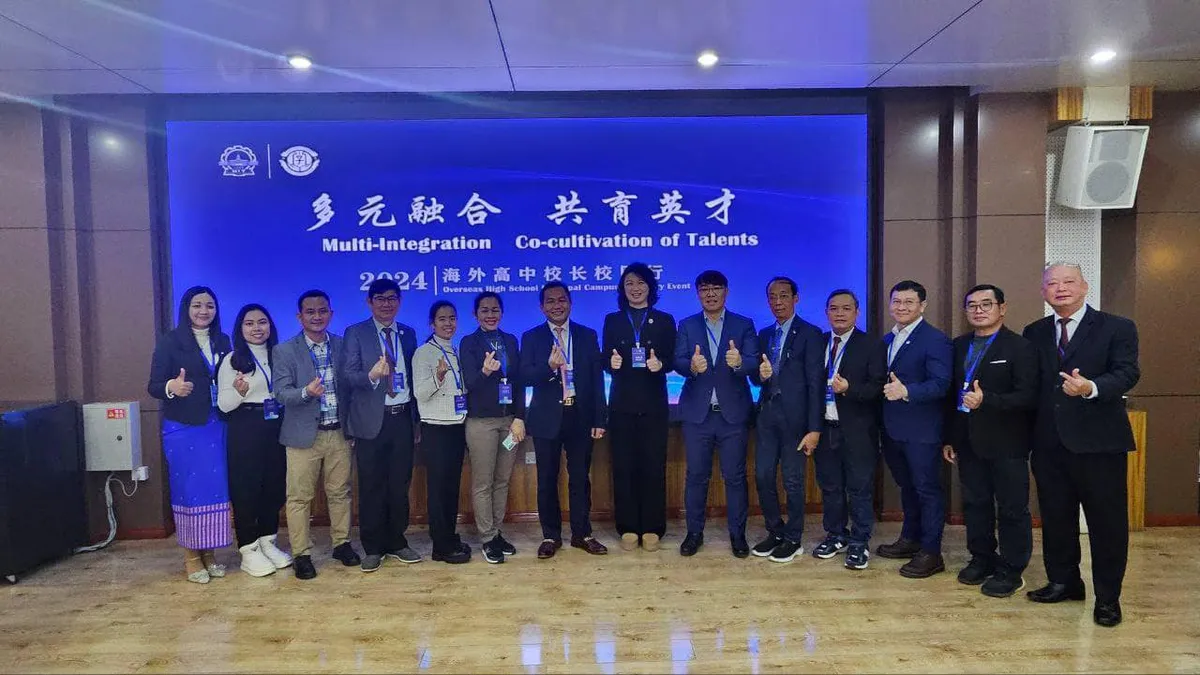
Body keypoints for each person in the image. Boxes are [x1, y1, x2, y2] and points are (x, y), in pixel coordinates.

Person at [1023, 263, 1140, 627]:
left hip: (1099, 444)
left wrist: (1091, 387)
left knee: (1107, 525)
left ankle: (1108, 598)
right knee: (1056, 518)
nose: (1060, 288)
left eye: (1068, 281)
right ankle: (1064, 582)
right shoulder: (1035, 331)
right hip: (1049, 445)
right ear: (1043, 291)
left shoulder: (1117, 327)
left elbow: (1128, 372)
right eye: (1052, 283)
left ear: (1085, 286)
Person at [941, 284, 1038, 597]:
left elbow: (1028, 396)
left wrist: (989, 400)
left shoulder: (1020, 347)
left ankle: (1012, 568)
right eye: (972, 305)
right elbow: (952, 396)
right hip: (968, 441)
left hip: (1007, 442)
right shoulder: (959, 345)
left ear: (1002, 308)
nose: (978, 310)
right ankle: (982, 557)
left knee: (1012, 508)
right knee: (975, 504)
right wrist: (950, 438)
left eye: (986, 304)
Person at [272, 290, 361, 580]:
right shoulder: (285, 351)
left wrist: (352, 427)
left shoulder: (343, 345)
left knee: (340, 492)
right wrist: (306, 393)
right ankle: (301, 554)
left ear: (331, 314)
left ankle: (341, 544)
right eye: (310, 312)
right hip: (302, 437)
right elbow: (281, 393)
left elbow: (351, 390)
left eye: (322, 311)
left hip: (339, 433)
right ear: (299, 317)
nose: (317, 316)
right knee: (299, 498)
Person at [147, 285, 234, 584]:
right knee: (189, 490)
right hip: (184, 427)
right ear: (186, 308)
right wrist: (172, 387)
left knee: (214, 489)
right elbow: (153, 385)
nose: (203, 311)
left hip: (216, 424)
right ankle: (191, 557)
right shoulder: (170, 342)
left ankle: (209, 552)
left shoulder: (223, 340)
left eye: (209, 305)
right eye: (197, 305)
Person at [673, 270, 759, 558]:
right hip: (698, 416)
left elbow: (753, 363)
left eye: (716, 288)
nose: (710, 294)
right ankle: (694, 533)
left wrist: (740, 363)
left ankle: (738, 535)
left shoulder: (743, 324)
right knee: (696, 476)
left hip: (732, 416)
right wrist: (690, 367)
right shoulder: (687, 325)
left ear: (726, 292)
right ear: (698, 293)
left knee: (735, 477)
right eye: (704, 289)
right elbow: (677, 361)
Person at [520, 282, 608, 559]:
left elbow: (596, 381)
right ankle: (550, 536)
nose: (556, 305)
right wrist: (549, 367)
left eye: (561, 300)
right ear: (541, 307)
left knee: (580, 478)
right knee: (547, 479)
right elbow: (524, 376)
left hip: (580, 416)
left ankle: (582, 534)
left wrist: (599, 418)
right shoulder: (531, 337)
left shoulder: (587, 335)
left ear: (570, 302)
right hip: (546, 418)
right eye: (550, 301)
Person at [343, 278, 422, 572]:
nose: (386, 304)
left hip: (402, 418)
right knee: (372, 485)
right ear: (369, 302)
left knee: (399, 484)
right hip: (370, 421)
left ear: (399, 302)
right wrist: (372, 376)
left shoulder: (408, 334)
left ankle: (397, 541)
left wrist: (416, 422)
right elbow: (347, 376)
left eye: (392, 298)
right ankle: (373, 548)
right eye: (380, 298)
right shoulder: (355, 332)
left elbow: (413, 377)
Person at [876, 280, 952, 578]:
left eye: (909, 302)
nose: (901, 307)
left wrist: (907, 391)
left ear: (923, 306)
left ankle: (932, 553)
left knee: (927, 490)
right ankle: (910, 539)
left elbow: (941, 384)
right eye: (896, 301)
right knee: (908, 487)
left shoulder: (935, 340)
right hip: (893, 429)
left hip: (922, 431)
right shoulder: (887, 339)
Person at [602, 263, 677, 552]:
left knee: (653, 467)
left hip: (654, 406)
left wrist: (662, 364)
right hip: (621, 405)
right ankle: (628, 526)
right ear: (622, 289)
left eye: (641, 283)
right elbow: (604, 357)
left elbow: (673, 358)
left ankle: (653, 527)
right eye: (629, 283)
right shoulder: (613, 320)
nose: (635, 288)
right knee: (624, 467)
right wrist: (610, 363)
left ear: (650, 287)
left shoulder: (665, 320)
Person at [748, 276, 823, 562]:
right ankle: (775, 531)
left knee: (792, 481)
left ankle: (793, 538)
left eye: (783, 296)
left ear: (795, 298)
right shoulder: (764, 334)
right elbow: (757, 377)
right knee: (763, 475)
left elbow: (816, 383)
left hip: (796, 419)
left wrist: (814, 428)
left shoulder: (811, 333)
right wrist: (759, 375)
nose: (778, 302)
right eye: (773, 297)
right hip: (767, 415)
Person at [216, 304, 292, 577]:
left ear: (270, 326)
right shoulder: (232, 360)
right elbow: (224, 406)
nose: (257, 328)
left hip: (276, 425)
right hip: (245, 426)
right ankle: (248, 549)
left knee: (273, 486)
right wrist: (239, 393)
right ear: (240, 328)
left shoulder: (279, 355)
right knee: (246, 488)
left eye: (262, 322)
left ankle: (267, 541)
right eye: (249, 323)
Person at [812, 289, 885, 570]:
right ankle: (836, 535)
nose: (839, 313)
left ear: (857, 312)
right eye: (834, 308)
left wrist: (848, 389)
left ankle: (859, 541)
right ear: (826, 312)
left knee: (859, 488)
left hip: (858, 430)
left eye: (846, 308)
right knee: (830, 486)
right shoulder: (818, 342)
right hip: (825, 428)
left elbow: (877, 388)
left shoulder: (871, 345)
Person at [460, 292, 526, 564]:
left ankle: (497, 532)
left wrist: (520, 417)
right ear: (475, 314)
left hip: (509, 422)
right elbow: (468, 385)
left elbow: (518, 381)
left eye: (495, 309)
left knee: (502, 480)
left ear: (502, 312)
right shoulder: (469, 342)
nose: (490, 314)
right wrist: (485, 372)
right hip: (481, 423)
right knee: (483, 483)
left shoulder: (510, 340)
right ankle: (487, 537)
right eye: (484, 310)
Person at [413, 300, 472, 564]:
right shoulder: (424, 352)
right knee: (438, 490)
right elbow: (420, 394)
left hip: (456, 426)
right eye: (442, 319)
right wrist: (437, 377)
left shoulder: (455, 350)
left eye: (452, 318)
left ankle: (449, 536)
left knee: (451, 487)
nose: (448, 323)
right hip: (436, 428)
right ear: (432, 324)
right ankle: (441, 546)